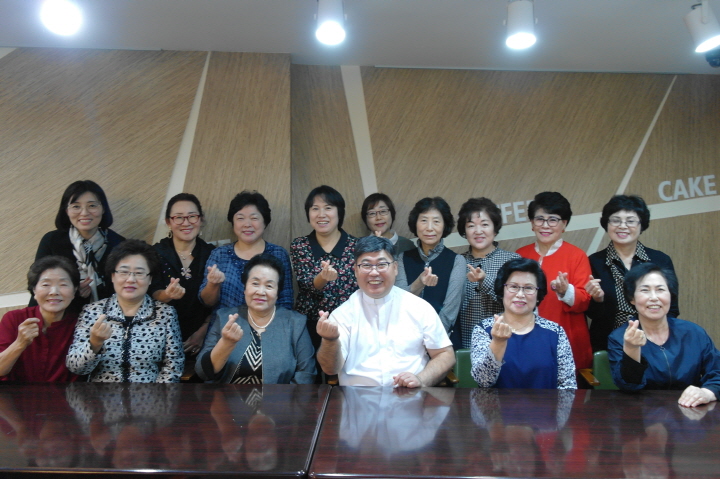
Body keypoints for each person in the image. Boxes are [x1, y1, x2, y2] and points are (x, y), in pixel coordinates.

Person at [315, 235, 455, 387]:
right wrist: (330, 340)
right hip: (358, 397)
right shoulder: (341, 315)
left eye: (382, 264)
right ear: (355, 270)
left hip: (410, 395)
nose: (374, 272)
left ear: (395, 268)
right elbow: (330, 369)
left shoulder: (419, 307)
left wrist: (421, 379)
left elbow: (445, 354)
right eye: (366, 265)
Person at [66, 239, 184, 382]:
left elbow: (173, 366)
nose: (130, 279)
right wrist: (94, 343)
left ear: (150, 279)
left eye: (139, 273)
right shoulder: (92, 312)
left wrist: (156, 395)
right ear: (113, 276)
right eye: (123, 272)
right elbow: (76, 367)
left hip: (150, 393)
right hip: (101, 394)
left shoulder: (165, 314)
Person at [608, 263, 720, 407]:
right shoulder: (619, 337)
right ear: (632, 298)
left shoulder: (693, 332)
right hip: (641, 413)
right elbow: (629, 386)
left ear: (670, 295)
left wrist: (707, 392)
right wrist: (631, 348)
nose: (654, 297)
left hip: (690, 409)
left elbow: (717, 371)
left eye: (660, 290)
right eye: (645, 290)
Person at [196, 254, 315, 384]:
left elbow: (307, 374)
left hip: (279, 396)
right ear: (245, 288)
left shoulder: (295, 322)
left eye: (269, 286)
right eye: (255, 283)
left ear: (277, 293)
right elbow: (202, 372)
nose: (260, 292)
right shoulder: (225, 317)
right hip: (227, 396)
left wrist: (282, 397)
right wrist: (225, 344)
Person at [586, 195, 679, 352]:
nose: (623, 226)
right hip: (609, 345)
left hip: (654, 344)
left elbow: (672, 309)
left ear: (641, 225)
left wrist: (656, 339)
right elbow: (592, 314)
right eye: (615, 220)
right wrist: (598, 300)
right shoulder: (594, 262)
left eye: (630, 221)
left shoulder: (660, 260)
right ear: (606, 224)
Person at [470, 258, 577, 389]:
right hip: (496, 403)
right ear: (502, 290)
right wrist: (497, 343)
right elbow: (483, 381)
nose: (520, 294)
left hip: (545, 402)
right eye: (513, 287)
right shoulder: (483, 329)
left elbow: (568, 385)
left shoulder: (555, 332)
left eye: (528, 288)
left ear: (538, 294)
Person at [516, 192, 592, 370]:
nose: (545, 225)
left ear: (564, 224)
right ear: (532, 223)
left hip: (566, 337)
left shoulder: (577, 255)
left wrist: (566, 291)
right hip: (525, 337)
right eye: (539, 219)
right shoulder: (520, 255)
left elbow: (585, 301)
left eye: (553, 220)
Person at [34, 180, 125, 313]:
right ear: (66, 210)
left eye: (92, 205)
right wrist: (72, 290)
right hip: (59, 314)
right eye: (76, 206)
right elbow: (36, 283)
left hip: (109, 316)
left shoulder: (119, 244)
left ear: (103, 209)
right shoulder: (52, 241)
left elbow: (125, 288)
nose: (84, 213)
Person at [199, 191, 293, 315]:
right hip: (225, 325)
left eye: (254, 218)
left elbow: (286, 301)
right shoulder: (219, 254)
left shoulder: (278, 254)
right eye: (240, 218)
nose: (247, 224)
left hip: (268, 325)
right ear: (233, 223)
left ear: (265, 222)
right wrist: (213, 284)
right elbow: (207, 302)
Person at [291, 185, 358, 351]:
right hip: (310, 323)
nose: (321, 214)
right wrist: (323, 277)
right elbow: (306, 285)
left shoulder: (357, 246)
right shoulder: (299, 245)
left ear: (339, 212)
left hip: (350, 322)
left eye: (328, 208)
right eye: (315, 208)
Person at [149, 193, 215, 357]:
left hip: (205, 341)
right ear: (168, 222)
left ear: (200, 219)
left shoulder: (213, 254)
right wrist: (167, 294)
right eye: (178, 217)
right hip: (160, 340)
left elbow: (221, 303)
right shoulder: (154, 254)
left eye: (192, 216)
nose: (186, 223)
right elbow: (150, 294)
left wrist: (203, 332)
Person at [0, 256, 81, 382]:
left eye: (63, 284)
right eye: (46, 285)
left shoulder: (81, 325)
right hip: (14, 394)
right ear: (34, 290)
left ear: (74, 290)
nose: (54, 292)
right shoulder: (14, 318)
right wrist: (20, 343)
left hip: (65, 394)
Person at [394, 197, 466, 338]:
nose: (429, 228)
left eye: (436, 221)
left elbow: (449, 312)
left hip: (444, 340)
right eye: (424, 220)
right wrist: (419, 283)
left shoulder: (457, 261)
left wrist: (431, 340)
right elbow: (399, 301)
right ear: (415, 224)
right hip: (408, 338)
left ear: (445, 225)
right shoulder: (403, 258)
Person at [457, 197, 520, 349]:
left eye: (485, 224)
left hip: (505, 343)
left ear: (495, 228)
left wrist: (484, 280)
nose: (478, 231)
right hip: (466, 345)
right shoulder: (457, 262)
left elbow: (516, 302)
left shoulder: (512, 261)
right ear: (464, 231)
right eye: (471, 226)